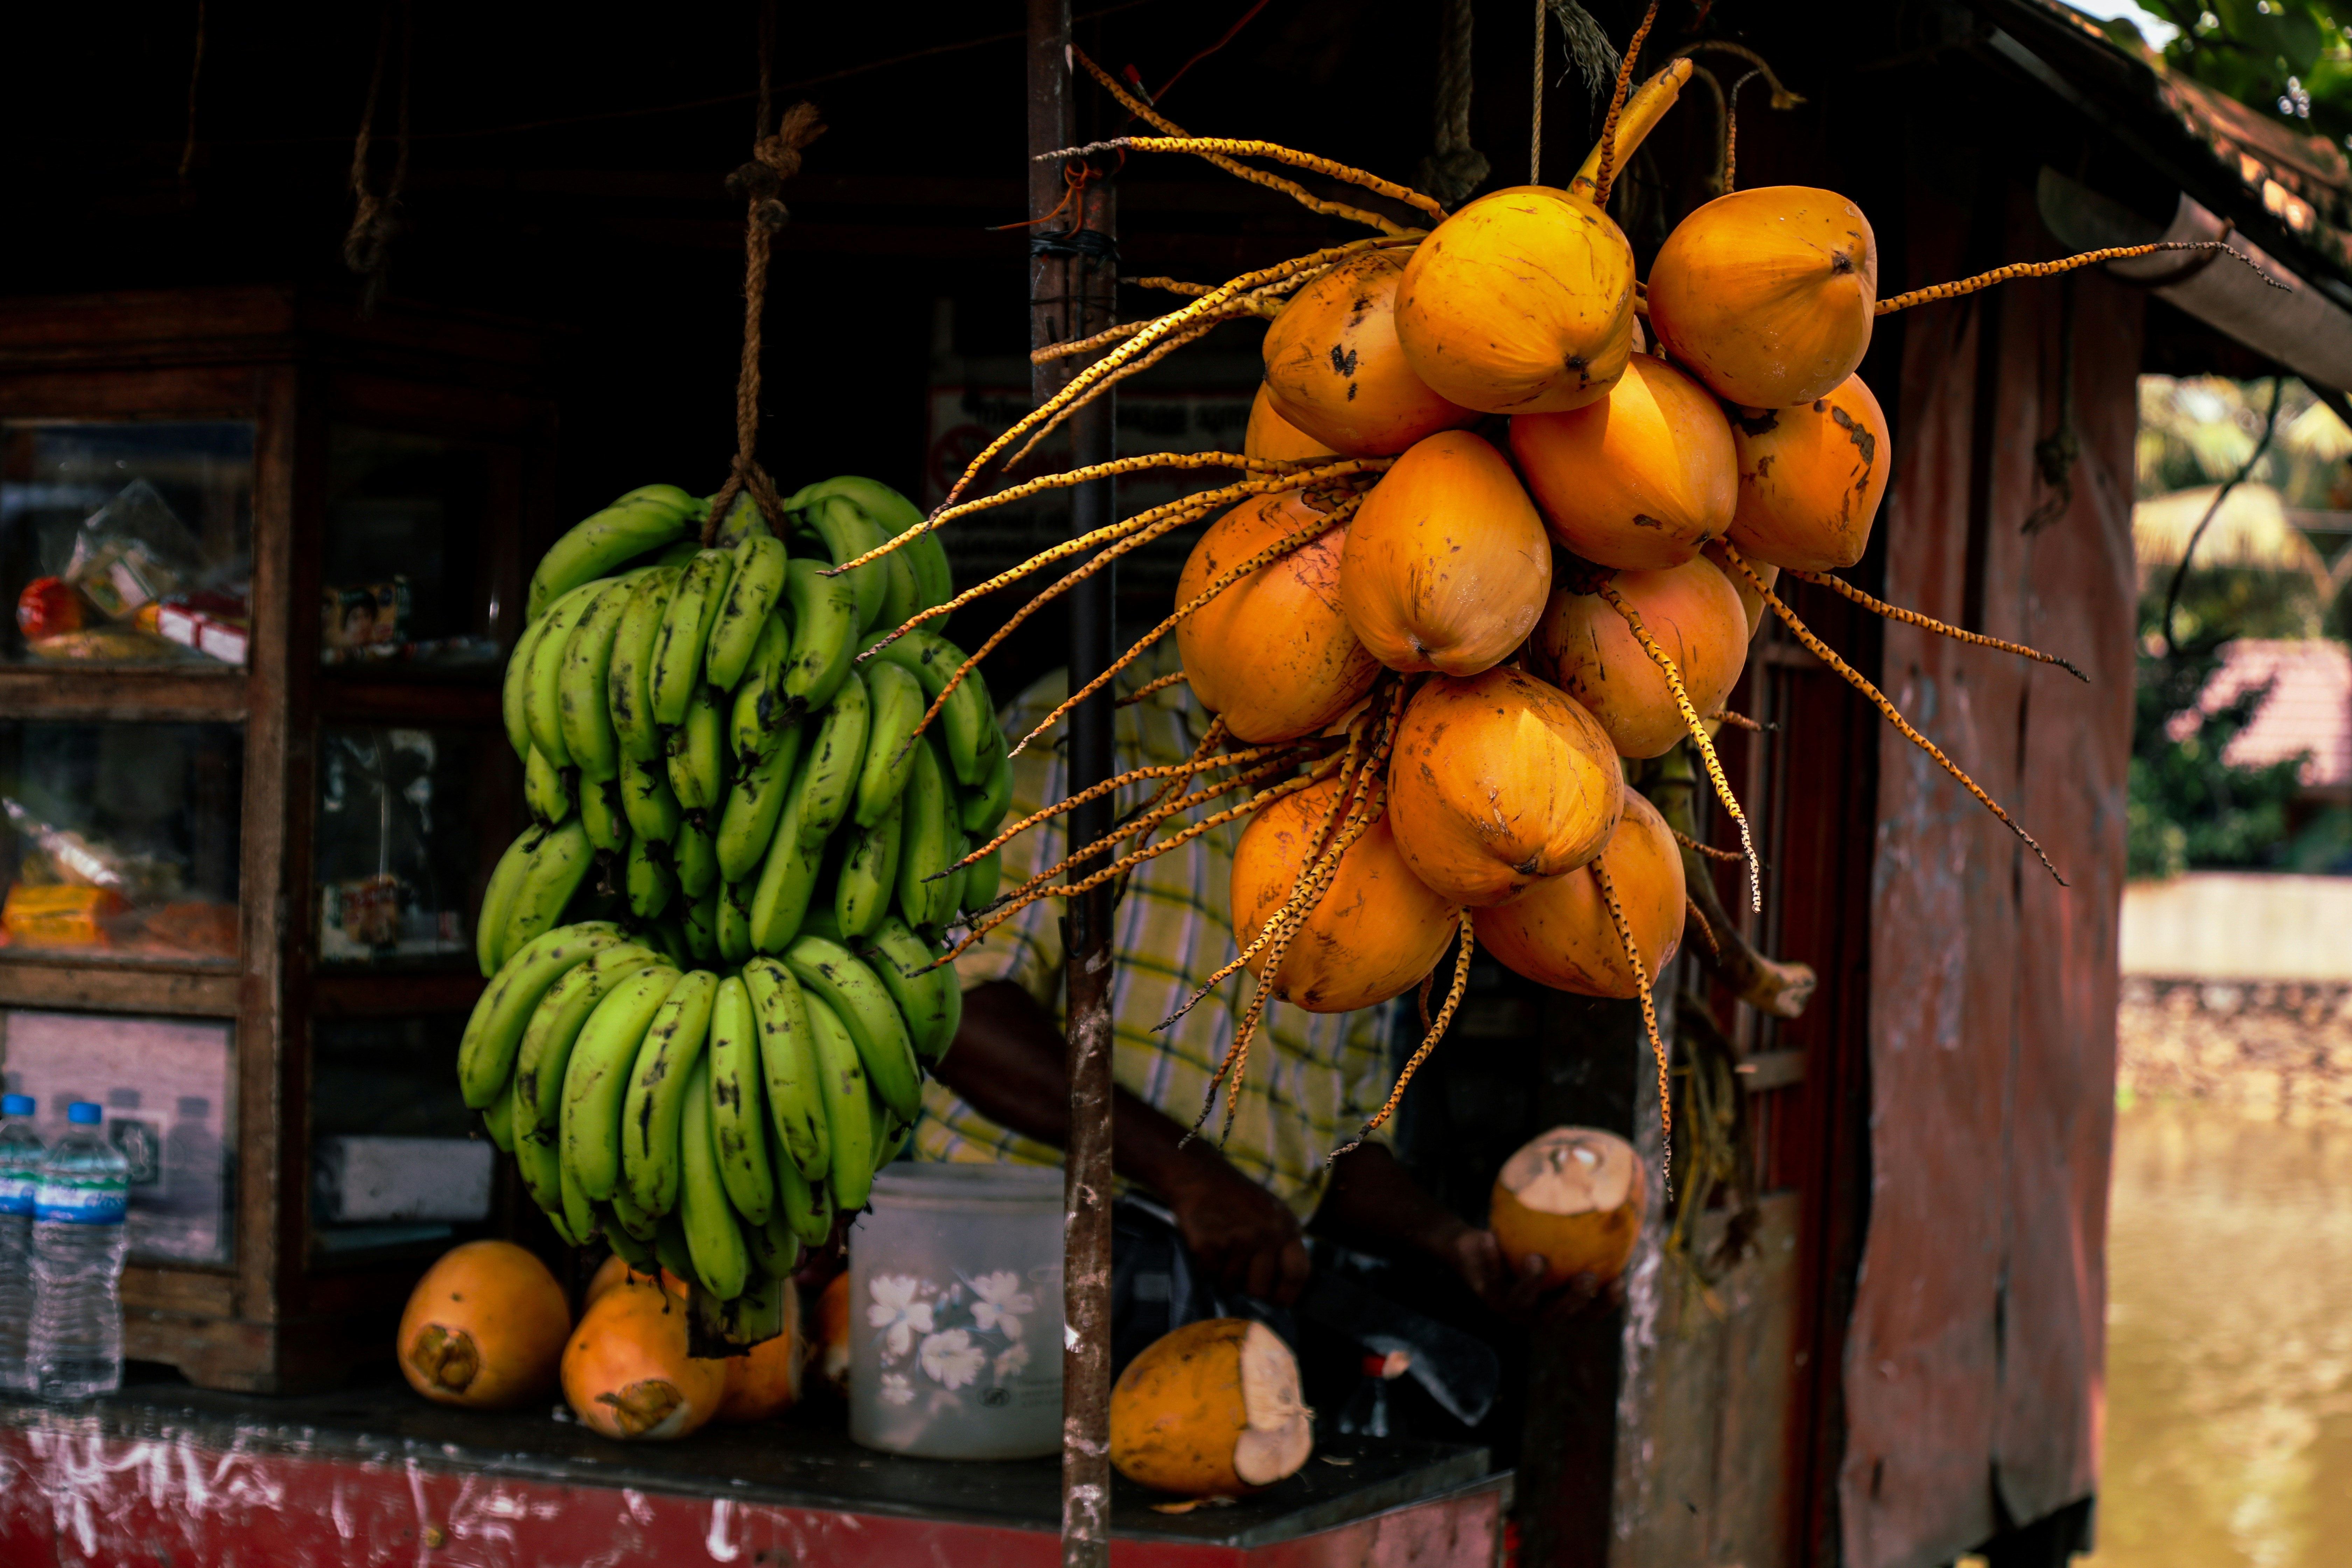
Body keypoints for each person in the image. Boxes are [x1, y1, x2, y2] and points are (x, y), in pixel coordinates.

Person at [920, 640, 1557, 1338]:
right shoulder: (1095, 733)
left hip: (1226, 1308)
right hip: (1011, 1275)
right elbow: (960, 1005)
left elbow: (1338, 1137)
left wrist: (1449, 1241)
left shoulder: (1372, 828)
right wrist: (1187, 1175)